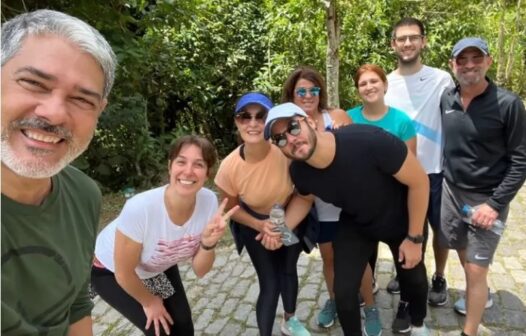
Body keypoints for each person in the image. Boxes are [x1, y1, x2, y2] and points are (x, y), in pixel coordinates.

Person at [264, 102, 431, 336]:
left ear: (310, 122)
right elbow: (304, 199)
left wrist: (414, 238)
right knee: (343, 293)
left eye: (293, 128)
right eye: (279, 139)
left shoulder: (370, 140)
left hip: (401, 218)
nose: (290, 140)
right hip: (357, 222)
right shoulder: (300, 171)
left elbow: (420, 182)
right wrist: (280, 231)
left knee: (413, 278)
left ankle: (419, 323)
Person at [1, 9, 116, 335]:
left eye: (82, 99)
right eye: (33, 83)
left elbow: (76, 303)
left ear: (99, 112)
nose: (54, 114)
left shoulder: (84, 194)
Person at [92, 135, 238, 336]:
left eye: (198, 164)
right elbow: (124, 273)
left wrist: (207, 244)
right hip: (111, 270)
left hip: (157, 265)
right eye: (181, 162)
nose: (188, 171)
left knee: (184, 327)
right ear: (170, 166)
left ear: (207, 173)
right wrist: (151, 302)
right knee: (160, 330)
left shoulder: (209, 202)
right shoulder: (140, 208)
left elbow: (200, 271)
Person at [440, 37, 526, 336]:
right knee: (459, 247)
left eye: (476, 58)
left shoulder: (508, 104)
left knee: (477, 270)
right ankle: (482, 293)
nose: (469, 65)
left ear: (488, 61)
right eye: (461, 60)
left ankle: (469, 331)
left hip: (488, 199)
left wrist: (494, 205)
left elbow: (520, 161)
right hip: (451, 192)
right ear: (453, 65)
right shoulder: (447, 99)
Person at [214, 92, 311, 336]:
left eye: (261, 116)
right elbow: (230, 207)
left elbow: (303, 192)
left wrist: (280, 227)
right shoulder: (229, 167)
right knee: (270, 283)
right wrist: (260, 225)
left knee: (288, 270)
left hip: (289, 217)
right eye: (245, 116)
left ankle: (290, 320)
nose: (253, 123)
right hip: (253, 224)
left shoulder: (284, 149)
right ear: (237, 122)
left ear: (269, 121)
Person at [384, 16, 455, 333]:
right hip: (398, 175)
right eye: (402, 38)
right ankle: (409, 280)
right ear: (393, 45)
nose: (408, 43)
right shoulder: (385, 83)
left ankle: (438, 276)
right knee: (407, 233)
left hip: (435, 171)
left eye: (414, 37)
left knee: (440, 231)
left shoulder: (442, 79)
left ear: (424, 41)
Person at [347, 63, 417, 335]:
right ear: (358, 90)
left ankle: (406, 304)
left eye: (374, 81)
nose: (369, 87)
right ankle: (369, 291)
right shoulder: (348, 118)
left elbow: (412, 170)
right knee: (366, 255)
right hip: (360, 205)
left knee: (404, 261)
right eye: (363, 83)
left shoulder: (401, 121)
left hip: (394, 204)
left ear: (385, 85)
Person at [281, 66, 352, 329]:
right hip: (315, 203)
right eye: (301, 91)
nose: (308, 95)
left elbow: (357, 153)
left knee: (357, 256)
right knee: (329, 257)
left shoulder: (336, 116)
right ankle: (334, 300)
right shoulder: (285, 125)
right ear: (292, 95)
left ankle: (366, 303)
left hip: (349, 202)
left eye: (314, 90)